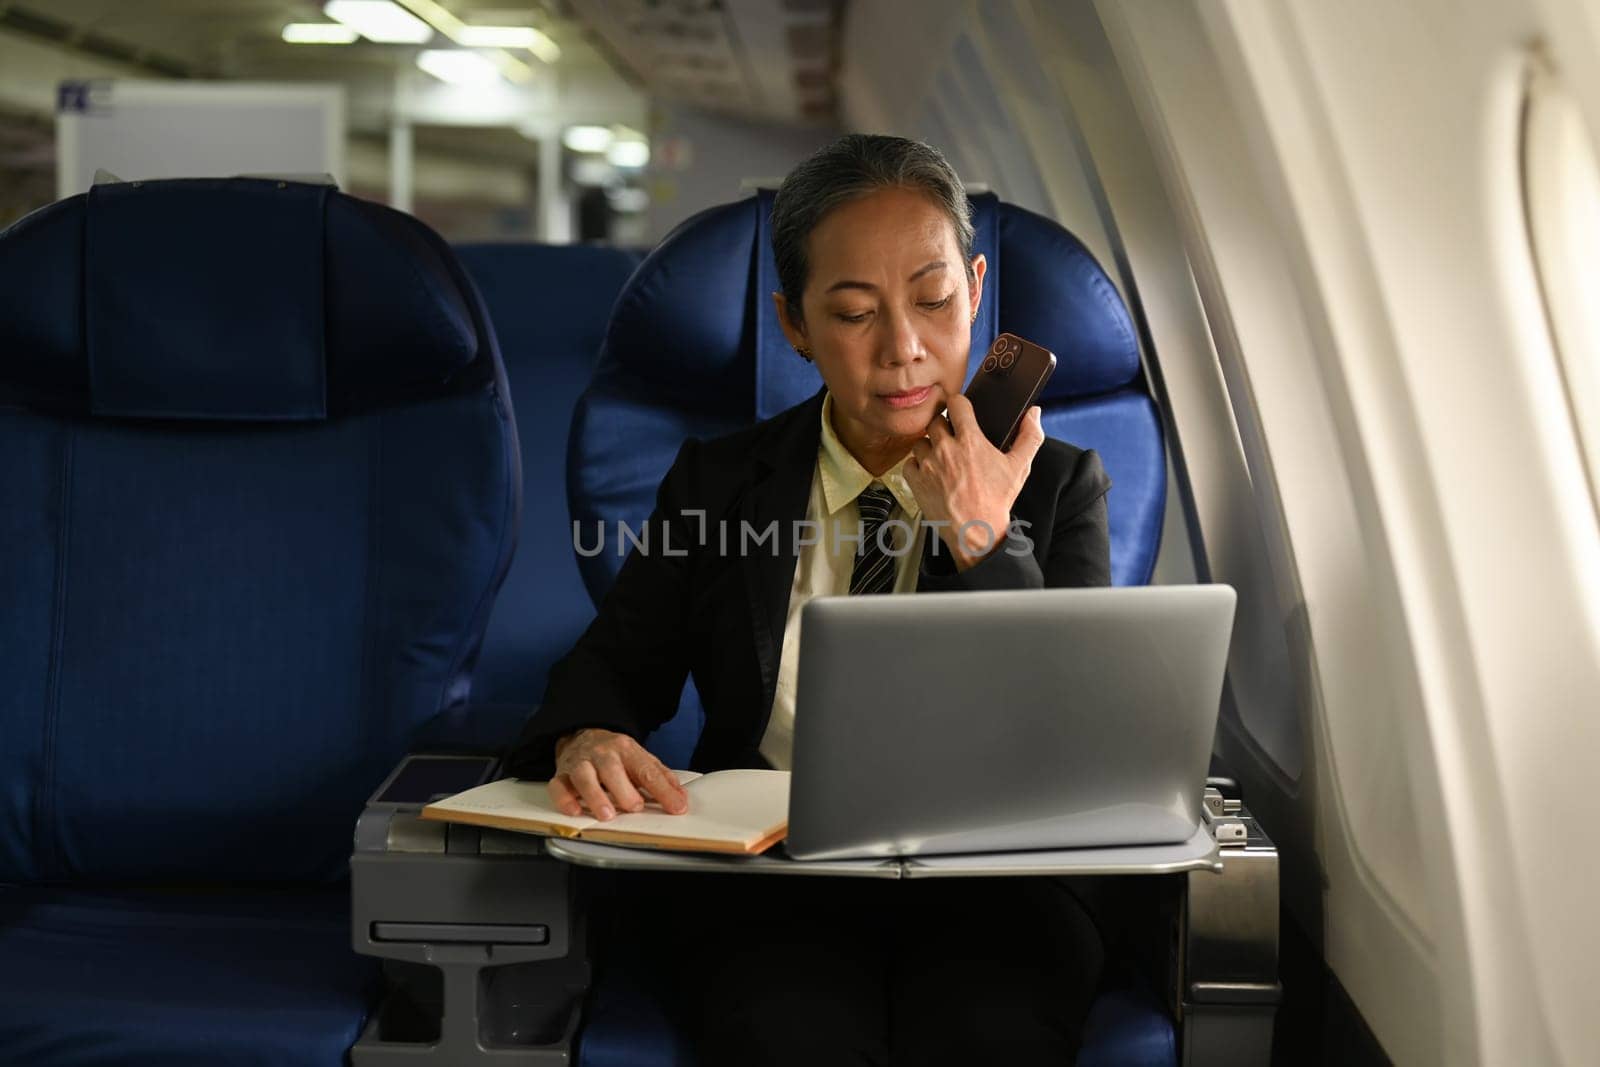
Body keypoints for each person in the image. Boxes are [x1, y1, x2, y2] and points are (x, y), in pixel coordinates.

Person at [505, 134, 1112, 1066]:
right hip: (774, 884)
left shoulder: (1060, 486)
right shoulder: (718, 483)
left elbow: (1069, 739)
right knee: (791, 1039)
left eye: (935, 299)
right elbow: (611, 670)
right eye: (855, 312)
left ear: (978, 286)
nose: (904, 349)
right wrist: (584, 732)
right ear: (794, 324)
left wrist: (984, 533)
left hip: (997, 885)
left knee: (988, 1036)